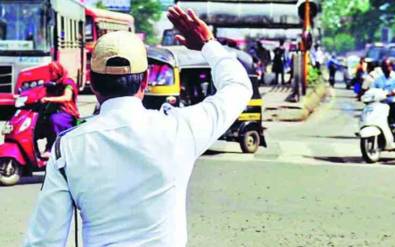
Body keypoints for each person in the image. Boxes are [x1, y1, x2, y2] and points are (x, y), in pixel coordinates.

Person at [23, 5, 252, 247]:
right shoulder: (181, 129)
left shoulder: (68, 147)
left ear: (93, 84)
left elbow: (45, 241)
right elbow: (238, 87)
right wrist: (209, 44)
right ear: (145, 80)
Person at [40, 62, 80, 158]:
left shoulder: (68, 83)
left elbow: (67, 97)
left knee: (55, 120)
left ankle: (55, 148)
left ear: (58, 71)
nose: (51, 74)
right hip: (54, 110)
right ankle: (49, 145)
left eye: (52, 71)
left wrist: (48, 99)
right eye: (50, 71)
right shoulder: (53, 83)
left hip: (66, 112)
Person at [369, 59, 395, 142]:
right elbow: (372, 88)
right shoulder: (379, 79)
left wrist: (394, 92)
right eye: (383, 67)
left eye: (387, 66)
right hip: (381, 102)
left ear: (391, 67)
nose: (385, 68)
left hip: (394, 101)